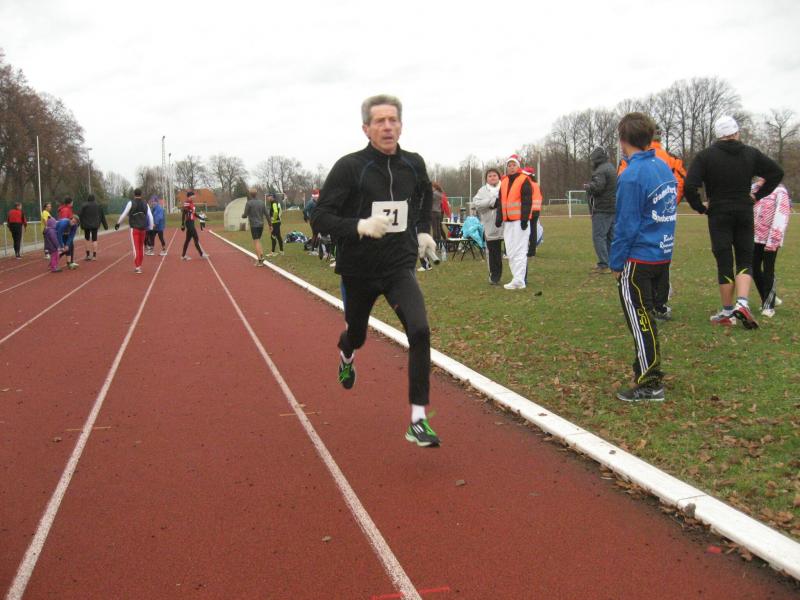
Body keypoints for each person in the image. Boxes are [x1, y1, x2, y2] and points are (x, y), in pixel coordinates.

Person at [311, 93, 440, 447]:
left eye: (392, 120)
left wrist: (423, 230)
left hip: (399, 265)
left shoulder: (413, 163)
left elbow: (424, 195)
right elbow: (320, 217)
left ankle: (418, 419)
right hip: (359, 270)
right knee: (357, 335)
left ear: (401, 125)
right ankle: (346, 353)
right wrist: (359, 226)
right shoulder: (350, 167)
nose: (387, 127)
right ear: (366, 128)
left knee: (420, 330)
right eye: (379, 121)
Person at [684, 115, 784, 329]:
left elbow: (689, 186)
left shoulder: (705, 156)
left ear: (718, 135)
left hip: (718, 212)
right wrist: (757, 195)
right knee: (745, 259)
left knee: (724, 261)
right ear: (736, 133)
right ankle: (743, 303)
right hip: (744, 211)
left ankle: (728, 312)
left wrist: (701, 207)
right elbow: (777, 172)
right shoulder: (750, 153)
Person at [610, 112, 677, 402]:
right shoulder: (662, 167)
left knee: (640, 320)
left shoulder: (631, 175)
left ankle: (650, 381)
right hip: (661, 254)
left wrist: (616, 262)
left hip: (639, 258)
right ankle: (646, 370)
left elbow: (626, 224)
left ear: (623, 140)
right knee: (647, 316)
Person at [618, 125, 687, 320]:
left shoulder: (631, 162)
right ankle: (660, 304)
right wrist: (669, 204)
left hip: (643, 220)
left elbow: (624, 184)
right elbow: (680, 182)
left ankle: (647, 307)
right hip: (664, 218)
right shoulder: (669, 159)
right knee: (662, 264)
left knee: (643, 266)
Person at [751, 178, 791, 318]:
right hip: (754, 238)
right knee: (753, 268)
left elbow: (782, 215)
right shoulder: (756, 190)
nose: (761, 178)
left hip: (770, 238)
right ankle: (769, 297)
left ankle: (768, 306)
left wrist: (773, 240)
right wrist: (756, 186)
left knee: (768, 270)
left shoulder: (780, 192)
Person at [496, 154, 532, 289]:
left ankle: (519, 280)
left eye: (514, 165)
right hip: (508, 222)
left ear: (518, 166)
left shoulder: (524, 180)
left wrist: (524, 219)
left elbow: (527, 201)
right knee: (510, 251)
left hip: (519, 221)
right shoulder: (504, 181)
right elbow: (501, 201)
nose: (511, 168)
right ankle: (516, 278)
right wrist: (499, 217)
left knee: (520, 250)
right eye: (509, 165)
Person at [584, 147, 617, 274]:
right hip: (612, 207)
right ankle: (611, 263)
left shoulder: (600, 171)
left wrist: (589, 187)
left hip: (602, 208)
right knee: (610, 237)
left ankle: (604, 264)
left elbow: (598, 187)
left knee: (599, 237)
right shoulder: (611, 167)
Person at [471, 168, 504, 284]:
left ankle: (519, 277)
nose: (492, 177)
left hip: (507, 225)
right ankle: (495, 276)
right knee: (494, 253)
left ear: (499, 177)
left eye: (494, 175)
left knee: (513, 252)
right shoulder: (482, 191)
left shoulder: (505, 187)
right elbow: (476, 203)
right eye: (490, 176)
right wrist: (492, 201)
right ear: (486, 179)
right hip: (490, 226)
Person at [115, 188, 154, 274]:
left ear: (134, 194)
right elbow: (150, 216)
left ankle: (137, 267)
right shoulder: (145, 203)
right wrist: (151, 227)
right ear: (141, 194)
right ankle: (140, 265)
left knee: (136, 247)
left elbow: (124, 214)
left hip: (134, 229)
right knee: (141, 246)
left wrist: (118, 223)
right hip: (143, 229)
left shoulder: (131, 203)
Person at [242, 189, 270, 265]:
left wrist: (243, 216)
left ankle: (259, 260)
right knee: (258, 240)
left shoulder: (249, 203)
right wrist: (270, 225)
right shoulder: (262, 203)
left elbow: (245, 215)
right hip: (261, 225)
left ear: (250, 194)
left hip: (254, 225)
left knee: (256, 241)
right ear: (256, 194)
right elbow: (267, 214)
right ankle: (261, 256)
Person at [78, 194, 109, 261]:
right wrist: (105, 226)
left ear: (88, 199)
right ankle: (94, 256)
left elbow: (79, 215)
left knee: (87, 239)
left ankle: (88, 255)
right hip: (95, 225)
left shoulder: (84, 206)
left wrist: (78, 224)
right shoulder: (98, 206)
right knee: (94, 239)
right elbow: (102, 216)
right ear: (94, 199)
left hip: (86, 225)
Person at [522, 168, 543, 258]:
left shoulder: (528, 184)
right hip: (536, 210)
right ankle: (532, 250)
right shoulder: (536, 184)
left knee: (527, 230)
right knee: (533, 230)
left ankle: (528, 250)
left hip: (529, 210)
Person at [180, 191, 207, 260]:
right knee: (195, 238)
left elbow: (194, 213)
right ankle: (201, 254)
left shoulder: (192, 203)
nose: (194, 196)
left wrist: (201, 218)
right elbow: (184, 213)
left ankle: (183, 256)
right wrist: (182, 224)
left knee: (187, 240)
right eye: (193, 195)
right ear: (190, 196)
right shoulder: (187, 202)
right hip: (189, 223)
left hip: (192, 222)